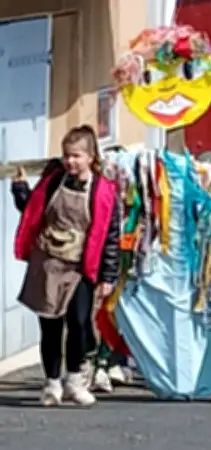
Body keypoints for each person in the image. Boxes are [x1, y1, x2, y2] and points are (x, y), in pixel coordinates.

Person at [12, 125, 121, 407]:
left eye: (76, 156)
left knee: (80, 323)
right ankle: (51, 384)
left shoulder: (103, 191)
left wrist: (108, 275)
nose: (70, 162)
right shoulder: (52, 182)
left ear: (90, 156)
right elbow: (32, 212)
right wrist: (20, 190)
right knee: (50, 326)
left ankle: (75, 381)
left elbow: (110, 236)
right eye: (66, 156)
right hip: (48, 263)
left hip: (80, 266)